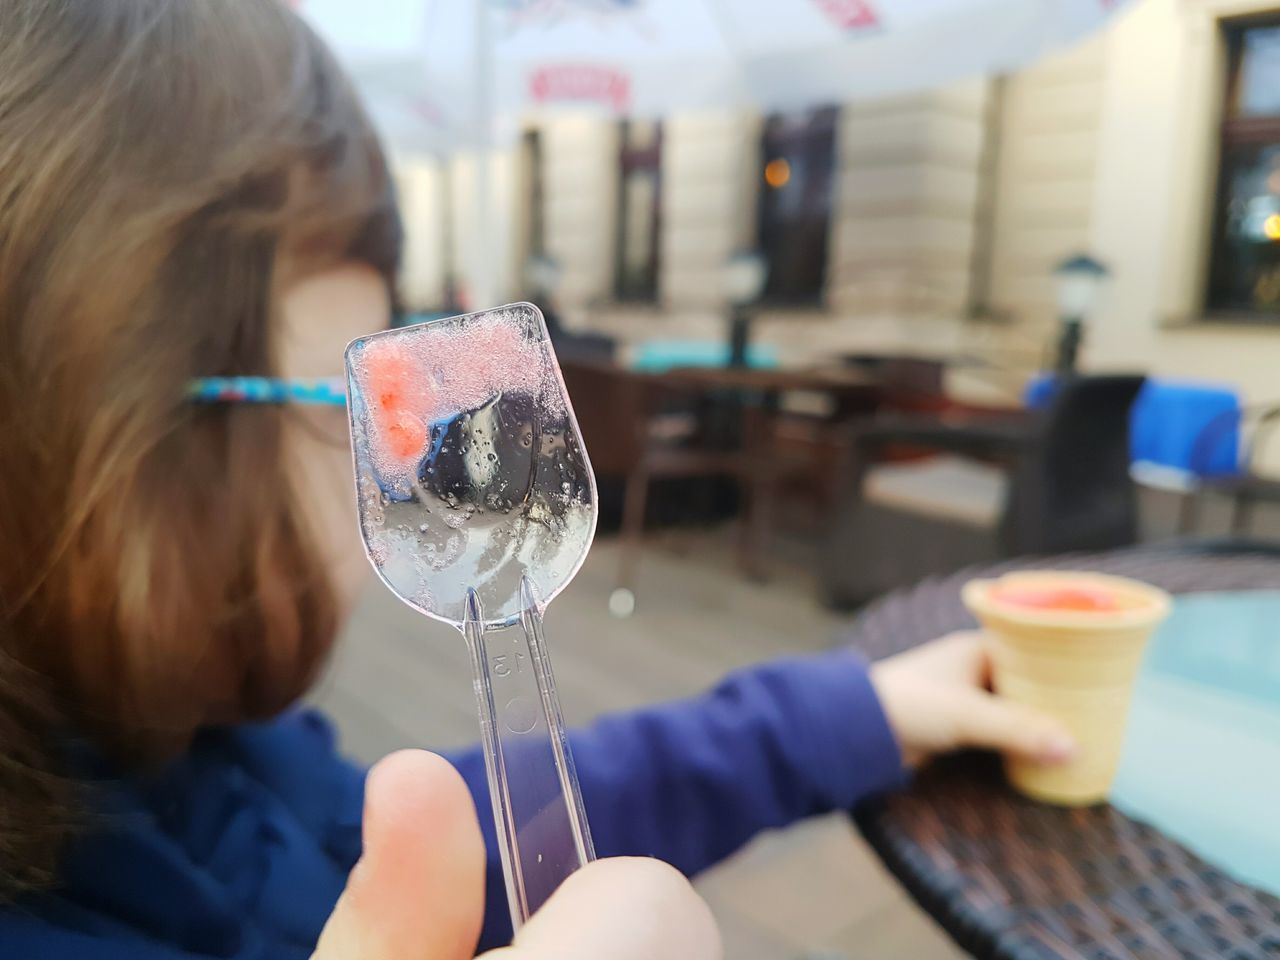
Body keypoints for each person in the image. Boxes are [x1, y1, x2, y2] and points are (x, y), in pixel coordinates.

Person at [0, 2, 1074, 958]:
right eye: (367, 412)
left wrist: (841, 715)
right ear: (112, 438)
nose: (413, 457)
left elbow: (486, 818)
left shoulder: (203, 753)